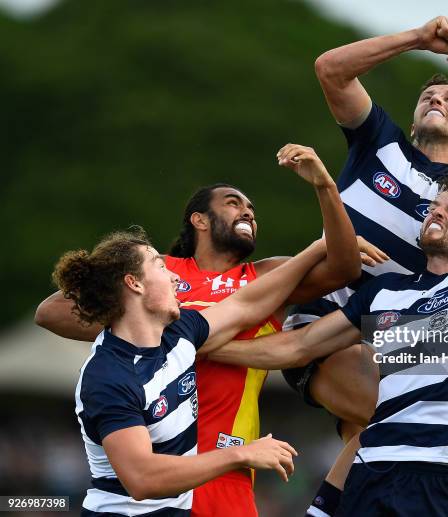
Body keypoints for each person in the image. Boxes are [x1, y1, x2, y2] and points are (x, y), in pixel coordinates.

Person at [213, 35, 448, 516]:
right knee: (406, 421)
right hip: (335, 327)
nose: (436, 99)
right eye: (427, 96)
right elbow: (330, 68)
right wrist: (420, 37)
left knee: (417, 433)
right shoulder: (381, 144)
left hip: (391, 341)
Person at [35, 144, 379, 516]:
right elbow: (51, 312)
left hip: (227, 468)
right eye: (233, 203)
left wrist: (325, 187)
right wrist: (152, 332)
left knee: (401, 390)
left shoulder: (263, 278)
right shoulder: (160, 273)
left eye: (251, 209)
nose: (247, 211)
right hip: (157, 462)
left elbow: (344, 268)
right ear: (199, 219)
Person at [50, 226, 337, 516]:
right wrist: (241, 454)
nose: (176, 277)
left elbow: (247, 304)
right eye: (161, 267)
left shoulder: (181, 332)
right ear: (134, 284)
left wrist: (316, 249)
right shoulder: (109, 376)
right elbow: (142, 479)